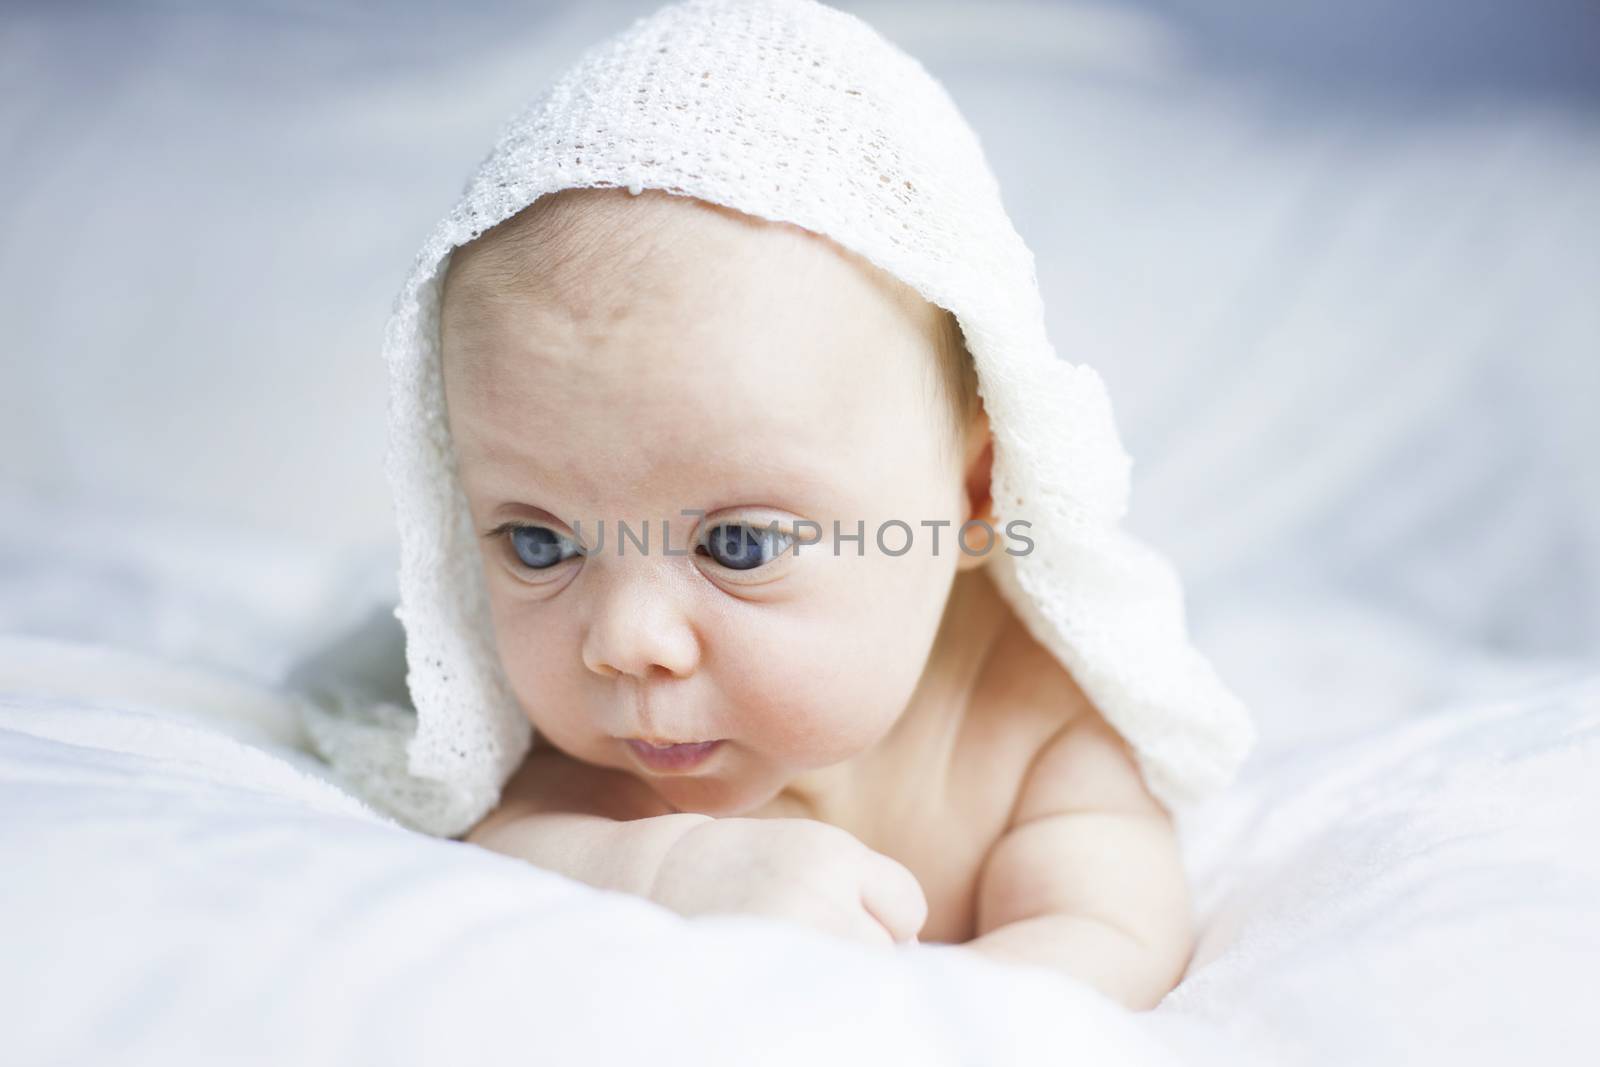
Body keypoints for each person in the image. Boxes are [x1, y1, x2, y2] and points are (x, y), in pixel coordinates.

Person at [299, 0, 1255, 1012]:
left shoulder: (1040, 730)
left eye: (739, 543)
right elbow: (509, 841)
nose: (623, 641)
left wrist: (897, 1014)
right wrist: (665, 871)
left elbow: (1110, 935)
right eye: (538, 541)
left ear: (976, 495)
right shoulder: (602, 755)